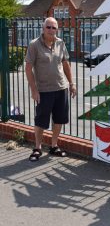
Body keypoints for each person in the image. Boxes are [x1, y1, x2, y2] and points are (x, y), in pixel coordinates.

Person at [25, 17, 77, 161]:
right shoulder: (34, 45)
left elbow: (65, 64)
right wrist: (34, 90)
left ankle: (54, 146)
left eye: (54, 28)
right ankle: (37, 148)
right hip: (43, 90)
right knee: (41, 120)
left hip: (61, 88)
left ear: (57, 30)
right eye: (48, 27)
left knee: (59, 119)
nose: (51, 30)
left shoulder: (60, 43)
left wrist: (71, 83)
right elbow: (28, 68)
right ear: (43, 28)